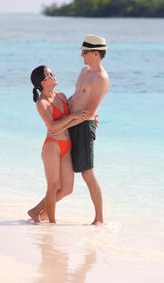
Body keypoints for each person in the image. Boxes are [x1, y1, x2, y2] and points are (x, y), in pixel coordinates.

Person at [28, 65, 90, 223]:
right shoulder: (42, 103)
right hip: (52, 146)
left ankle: (37, 211)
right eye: (50, 74)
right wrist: (73, 117)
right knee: (53, 186)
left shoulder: (62, 96)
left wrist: (89, 118)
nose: (54, 75)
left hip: (66, 146)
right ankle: (51, 223)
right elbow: (53, 126)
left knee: (67, 189)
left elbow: (74, 116)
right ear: (43, 81)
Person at [63, 34, 110, 226]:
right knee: (63, 172)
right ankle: (41, 211)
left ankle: (99, 219)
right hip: (69, 122)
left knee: (87, 173)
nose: (82, 56)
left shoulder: (101, 78)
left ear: (96, 53)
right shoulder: (83, 71)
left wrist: (61, 125)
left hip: (81, 126)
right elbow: (75, 98)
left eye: (85, 52)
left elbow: (89, 111)